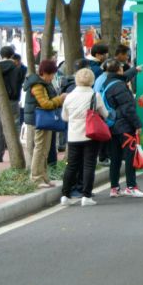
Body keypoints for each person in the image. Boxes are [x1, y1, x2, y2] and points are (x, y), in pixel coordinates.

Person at [60, 68, 108, 207]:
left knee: (71, 166)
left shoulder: (69, 97)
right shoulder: (95, 96)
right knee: (89, 165)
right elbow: (105, 114)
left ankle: (65, 195)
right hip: (90, 135)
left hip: (73, 136)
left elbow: (64, 117)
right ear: (92, 80)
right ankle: (86, 196)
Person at [103, 60, 143, 198]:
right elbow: (128, 108)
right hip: (124, 126)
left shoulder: (107, 83)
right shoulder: (120, 86)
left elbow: (125, 76)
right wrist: (137, 124)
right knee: (130, 156)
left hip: (111, 125)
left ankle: (114, 188)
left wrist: (134, 70)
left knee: (115, 158)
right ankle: (131, 186)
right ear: (119, 70)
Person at [24, 59, 66, 187]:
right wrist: (60, 99)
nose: (53, 77)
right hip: (39, 121)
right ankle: (36, 178)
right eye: (52, 74)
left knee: (44, 149)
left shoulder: (42, 83)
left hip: (42, 120)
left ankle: (43, 177)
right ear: (45, 73)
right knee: (40, 149)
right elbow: (45, 104)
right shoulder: (38, 85)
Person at [0, 46, 26, 163]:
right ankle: (15, 151)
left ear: (1, 55)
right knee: (15, 125)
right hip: (13, 100)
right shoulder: (18, 67)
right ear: (12, 55)